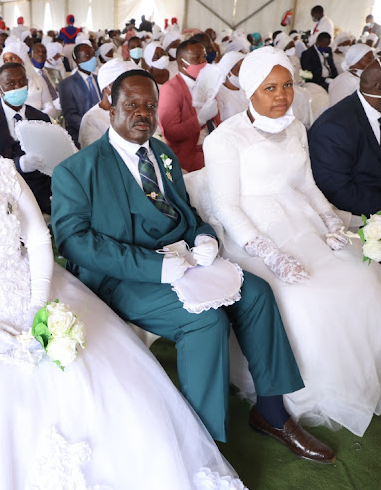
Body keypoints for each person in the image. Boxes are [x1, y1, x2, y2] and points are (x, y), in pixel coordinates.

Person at [0, 76, 247, 490]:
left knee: (105, 375)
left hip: (32, 289)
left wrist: (39, 303)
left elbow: (38, 237)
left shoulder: (3, 173)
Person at [52, 68, 335, 463]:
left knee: (256, 293)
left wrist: (205, 237)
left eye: (150, 106)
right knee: (205, 322)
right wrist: (154, 268)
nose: (142, 114)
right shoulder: (77, 170)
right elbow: (73, 241)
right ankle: (205, 450)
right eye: (131, 105)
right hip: (123, 278)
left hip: (185, 262)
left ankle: (271, 412)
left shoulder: (163, 154)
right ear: (109, 105)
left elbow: (187, 213)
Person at [197, 46, 381, 436]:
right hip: (252, 231)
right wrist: (271, 255)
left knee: (365, 280)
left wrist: (329, 222)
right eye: (269, 87)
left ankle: (368, 364)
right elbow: (225, 206)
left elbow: (306, 183)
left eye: (287, 85)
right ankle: (303, 392)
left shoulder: (295, 127)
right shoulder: (225, 139)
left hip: (299, 217)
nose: (282, 95)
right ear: (250, 90)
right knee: (310, 298)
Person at [309, 56, 381, 347]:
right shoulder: (336, 125)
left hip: (378, 202)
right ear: (379, 86)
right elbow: (339, 191)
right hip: (347, 212)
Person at [0, 63, 52, 214]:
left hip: (40, 188)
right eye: (10, 84)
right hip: (3, 190)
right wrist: (17, 164)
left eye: (22, 82)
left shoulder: (40, 118)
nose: (17, 87)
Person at [158, 39, 216, 172]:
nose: (203, 62)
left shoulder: (206, 83)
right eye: (197, 58)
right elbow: (171, 133)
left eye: (204, 56)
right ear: (181, 63)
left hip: (213, 144)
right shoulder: (170, 89)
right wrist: (200, 119)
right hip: (190, 152)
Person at [78, 59, 139, 148]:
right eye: (120, 86)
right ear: (105, 88)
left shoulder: (134, 108)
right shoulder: (91, 120)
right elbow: (95, 157)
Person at [58, 43, 100, 145]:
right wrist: (91, 127)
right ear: (77, 60)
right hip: (82, 133)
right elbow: (70, 115)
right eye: (87, 56)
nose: (92, 59)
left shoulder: (99, 79)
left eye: (93, 55)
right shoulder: (67, 84)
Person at [31, 42, 61, 120]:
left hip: (59, 108)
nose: (41, 54)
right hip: (43, 113)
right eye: (37, 51)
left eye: (44, 52)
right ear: (31, 54)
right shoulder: (29, 77)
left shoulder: (53, 72)